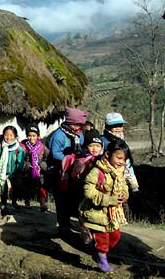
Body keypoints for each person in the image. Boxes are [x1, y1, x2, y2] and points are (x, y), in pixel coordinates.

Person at [79, 140, 130, 273]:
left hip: (112, 214)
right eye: (118, 158)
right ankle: (102, 261)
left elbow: (124, 186)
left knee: (115, 236)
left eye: (124, 159)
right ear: (107, 154)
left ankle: (94, 248)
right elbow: (88, 192)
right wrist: (109, 200)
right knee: (103, 239)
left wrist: (125, 194)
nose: (121, 162)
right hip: (96, 213)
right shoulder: (97, 171)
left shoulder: (120, 173)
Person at [47, 107, 87, 235]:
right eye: (75, 124)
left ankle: (68, 220)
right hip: (58, 171)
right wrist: (69, 159)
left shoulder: (79, 135)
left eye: (79, 125)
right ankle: (63, 224)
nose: (77, 127)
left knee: (71, 198)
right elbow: (55, 153)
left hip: (73, 172)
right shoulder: (59, 135)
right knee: (61, 198)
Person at [100, 112, 140, 193]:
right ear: (107, 127)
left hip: (124, 172)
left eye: (120, 125)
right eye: (114, 126)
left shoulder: (123, 141)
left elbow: (127, 160)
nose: (118, 128)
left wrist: (132, 178)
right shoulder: (103, 141)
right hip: (108, 175)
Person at [0, 125, 25, 215]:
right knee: (3, 189)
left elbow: (21, 161)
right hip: (2, 172)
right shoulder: (0, 146)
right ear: (3, 135)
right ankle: (4, 204)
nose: (9, 137)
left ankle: (14, 202)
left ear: (15, 136)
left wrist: (18, 171)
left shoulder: (18, 148)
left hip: (14, 172)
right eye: (6, 135)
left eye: (11, 135)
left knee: (16, 187)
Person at [19, 124, 48, 212]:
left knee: (41, 188)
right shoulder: (23, 147)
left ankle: (42, 204)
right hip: (27, 172)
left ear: (38, 136)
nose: (31, 138)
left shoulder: (42, 147)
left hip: (39, 172)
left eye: (34, 136)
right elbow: (20, 160)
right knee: (26, 188)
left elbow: (47, 160)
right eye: (29, 136)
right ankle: (27, 203)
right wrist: (28, 166)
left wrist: (41, 166)